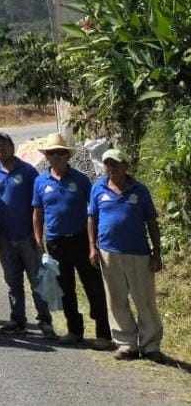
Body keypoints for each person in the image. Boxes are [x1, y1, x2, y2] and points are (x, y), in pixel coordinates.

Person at [32, 132, 111, 346]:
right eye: (51, 153)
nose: (56, 157)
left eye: (60, 153)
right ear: (47, 156)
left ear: (67, 155)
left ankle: (104, 334)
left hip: (81, 241)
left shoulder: (81, 180)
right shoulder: (40, 181)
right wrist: (39, 240)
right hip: (56, 243)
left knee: (93, 287)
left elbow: (92, 213)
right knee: (65, 289)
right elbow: (37, 213)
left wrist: (93, 244)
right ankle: (74, 331)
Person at [88, 149, 165, 362]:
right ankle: (126, 344)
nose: (111, 168)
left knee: (144, 300)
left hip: (138, 253)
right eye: (108, 164)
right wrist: (92, 248)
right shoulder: (98, 188)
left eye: (116, 164)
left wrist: (156, 253)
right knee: (116, 300)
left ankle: (150, 346)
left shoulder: (140, 190)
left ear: (125, 166)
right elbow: (92, 219)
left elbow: (151, 222)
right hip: (108, 252)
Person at [0, 132, 54, 337]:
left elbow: (38, 206)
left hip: (28, 237)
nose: (1, 149)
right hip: (4, 237)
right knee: (12, 282)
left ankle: (45, 321)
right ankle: (17, 320)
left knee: (36, 281)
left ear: (12, 146)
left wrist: (38, 235)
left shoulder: (28, 172)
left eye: (4, 145)